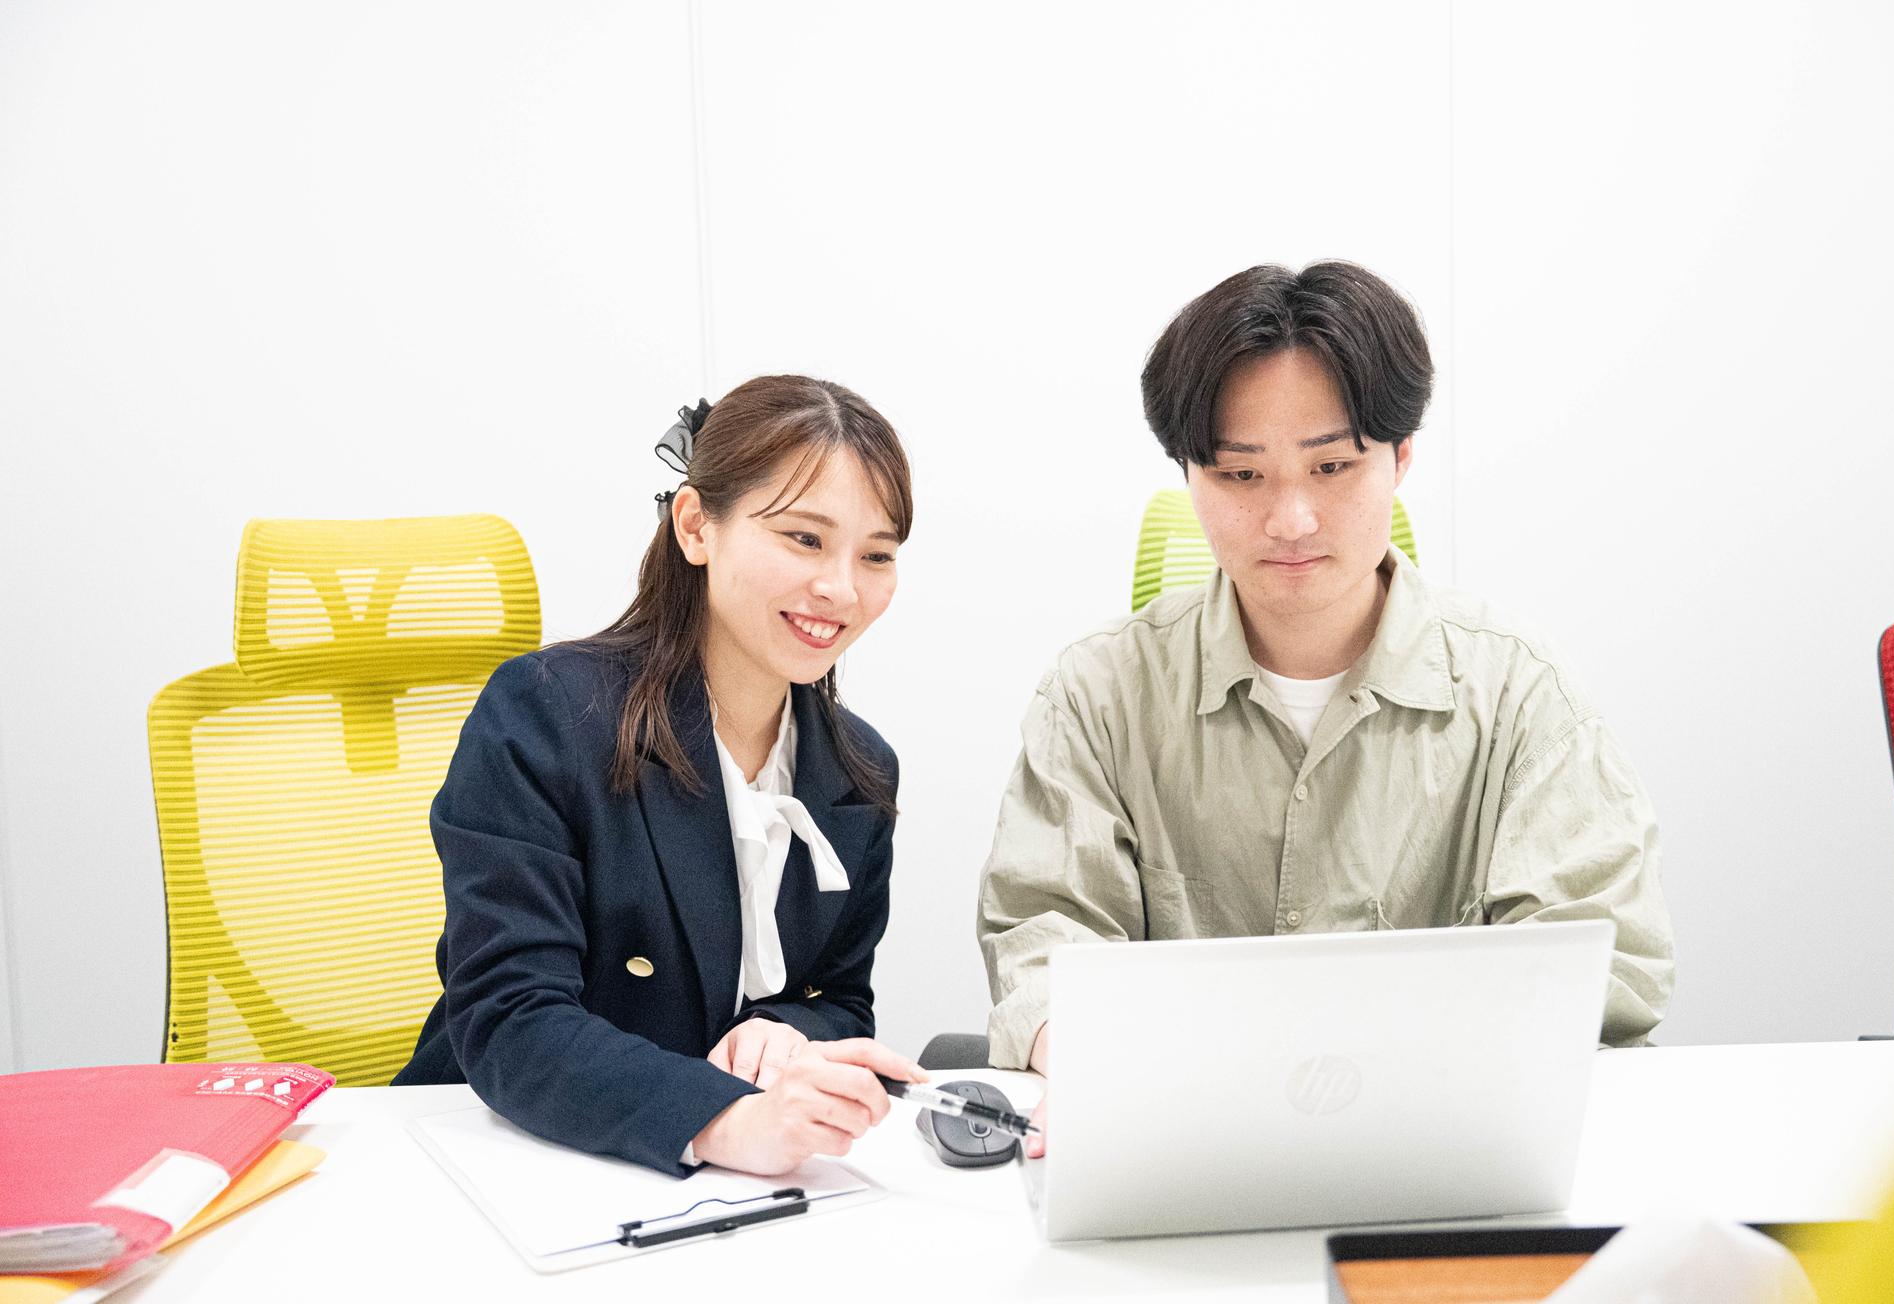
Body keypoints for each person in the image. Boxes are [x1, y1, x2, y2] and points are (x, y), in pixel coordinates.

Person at [978, 262, 1675, 1154]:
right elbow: (1043, 941)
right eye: (1241, 474)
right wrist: (1085, 1065)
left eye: (1333, 466)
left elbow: (1601, 967)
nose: (1292, 519)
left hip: (1446, 1149)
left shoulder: (1519, 694)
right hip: (1179, 1151)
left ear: (1401, 457)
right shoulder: (1098, 695)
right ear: (1189, 475)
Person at [398, 374, 929, 1176]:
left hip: (720, 1191)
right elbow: (510, 1016)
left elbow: (841, 999)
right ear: (695, 526)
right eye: (804, 538)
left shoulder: (860, 770)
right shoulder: (547, 713)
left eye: (877, 555)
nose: (842, 588)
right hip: (503, 1157)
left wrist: (786, 1031)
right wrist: (722, 1120)